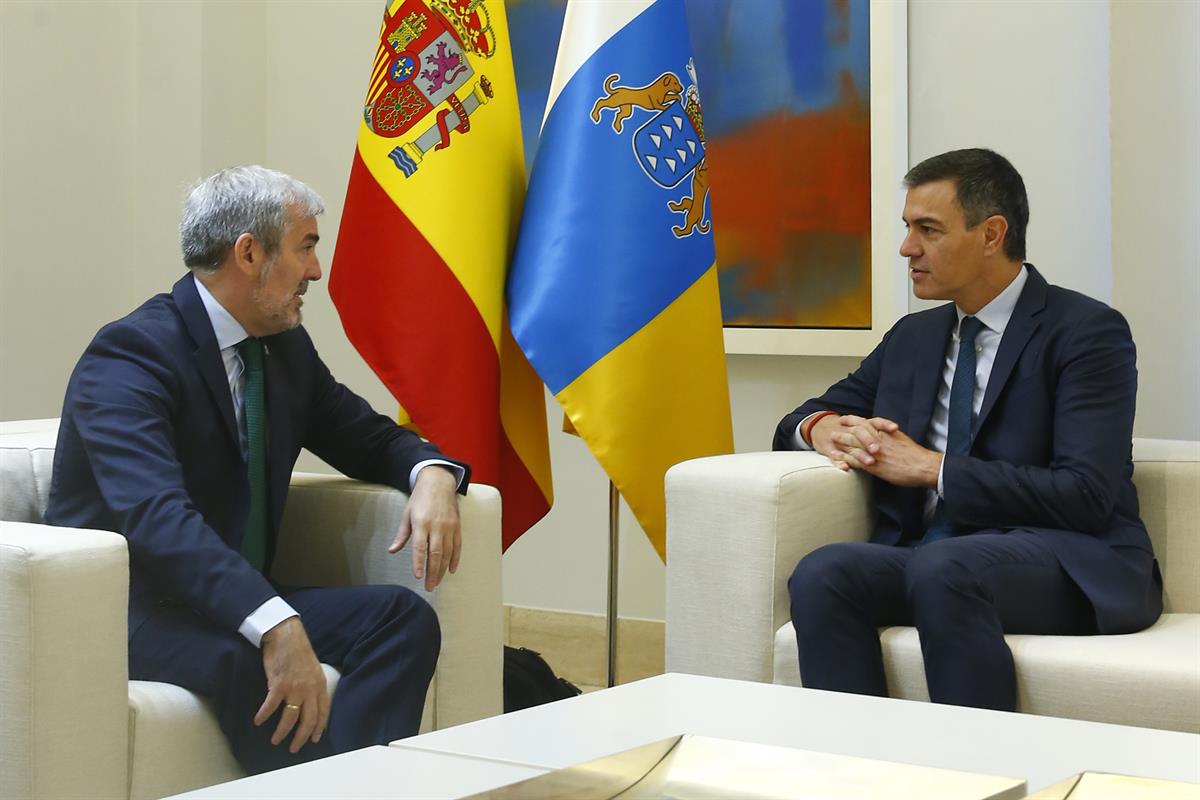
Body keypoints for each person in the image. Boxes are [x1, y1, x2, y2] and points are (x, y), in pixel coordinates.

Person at [46, 165, 470, 773]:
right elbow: (156, 517)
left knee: (401, 621)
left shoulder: (282, 348)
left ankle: (352, 789)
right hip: (138, 607)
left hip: (229, 598)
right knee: (244, 665)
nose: (317, 272)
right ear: (249, 253)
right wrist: (274, 622)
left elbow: (366, 436)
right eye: (306, 247)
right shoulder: (130, 355)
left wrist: (432, 472)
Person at [774, 148, 1162, 711]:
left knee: (945, 567)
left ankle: (982, 780)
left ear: (991, 233)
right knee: (825, 571)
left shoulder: (1085, 332)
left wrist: (932, 469)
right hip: (937, 555)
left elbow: (1087, 495)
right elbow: (805, 413)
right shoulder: (913, 337)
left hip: (1065, 560)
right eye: (907, 228)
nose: (908, 248)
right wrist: (826, 429)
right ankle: (858, 770)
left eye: (928, 230)